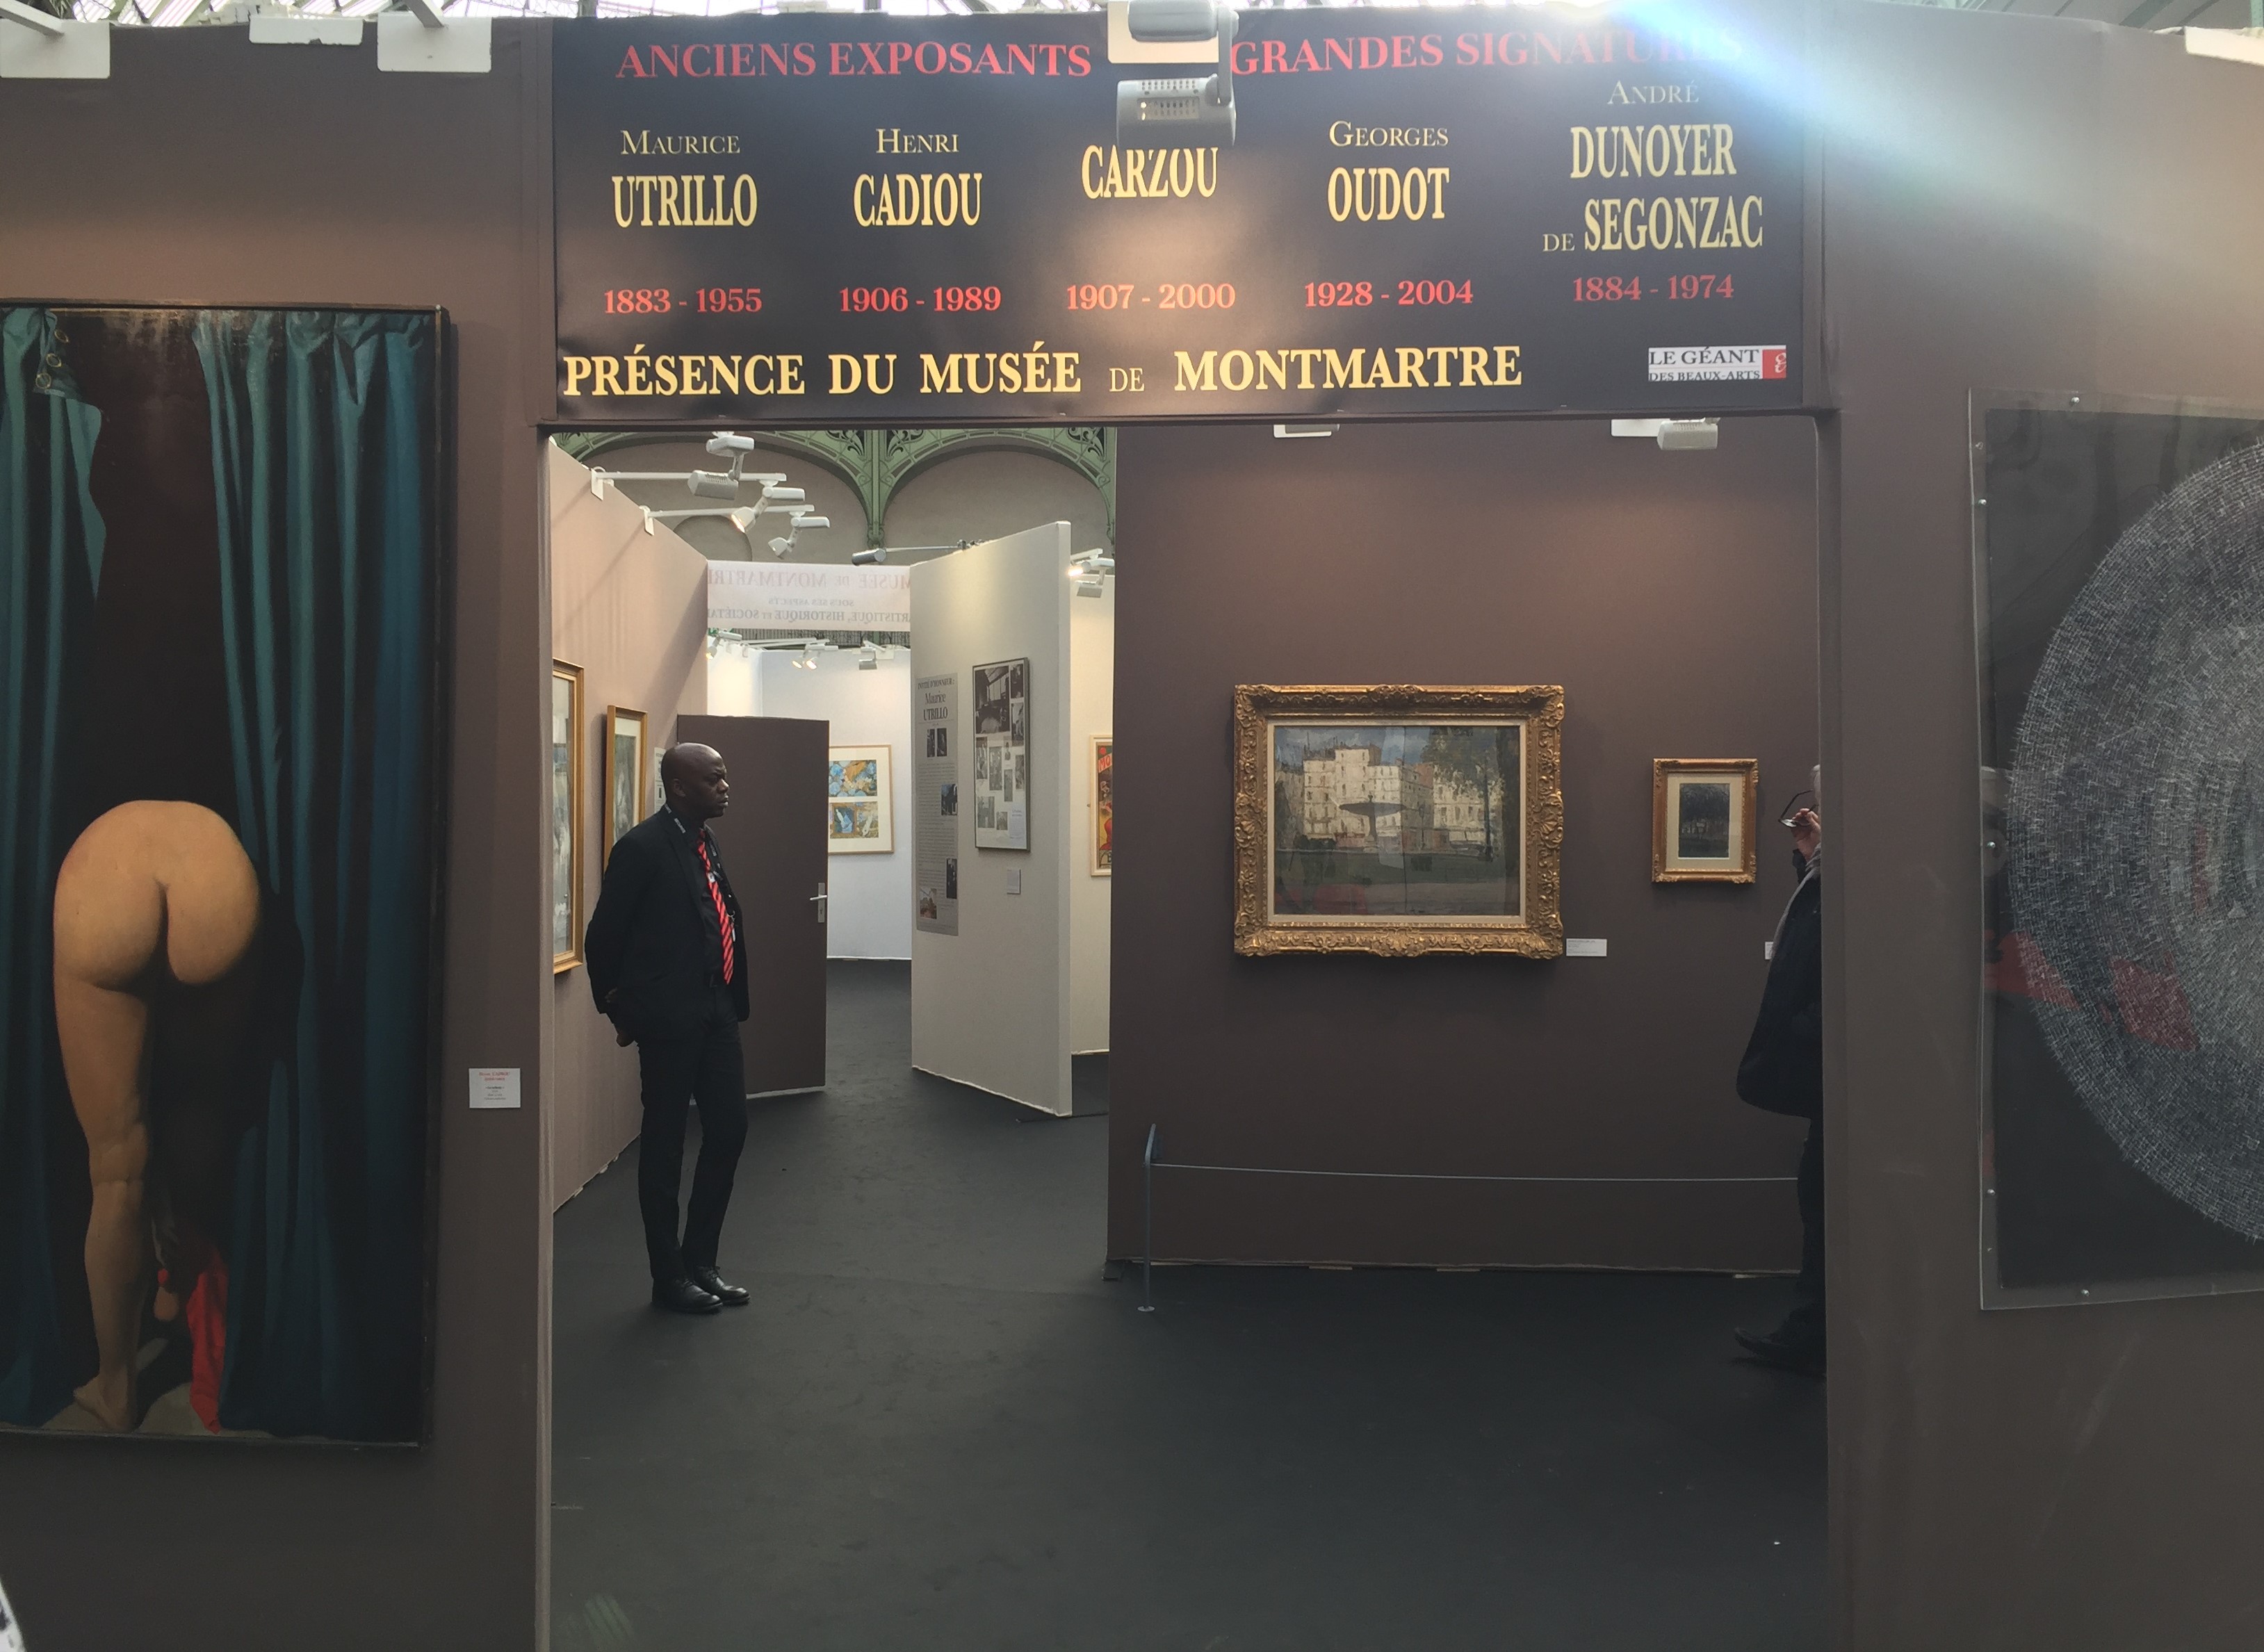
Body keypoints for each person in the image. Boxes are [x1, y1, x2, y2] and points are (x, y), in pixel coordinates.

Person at [585, 743, 752, 1316]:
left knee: (729, 1129)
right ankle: (669, 1275)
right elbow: (603, 938)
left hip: (717, 1009)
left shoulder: (706, 841)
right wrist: (620, 1013)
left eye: (724, 777)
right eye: (714, 779)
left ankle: (701, 1260)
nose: (725, 787)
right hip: (668, 1020)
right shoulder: (641, 848)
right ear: (679, 787)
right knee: (664, 1145)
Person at [1732, 787, 1825, 1376]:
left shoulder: (1867, 878)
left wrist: (1805, 1026)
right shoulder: (1834, 874)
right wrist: (1811, 857)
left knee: (1824, 1197)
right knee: (1818, 1195)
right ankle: (1812, 1332)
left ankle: (1813, 1335)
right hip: (1834, 1068)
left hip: (1848, 1066)